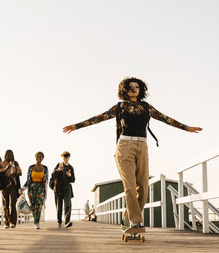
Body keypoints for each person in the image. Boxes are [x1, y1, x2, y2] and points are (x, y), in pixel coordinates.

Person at [63, 77, 202, 232]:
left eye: (137, 86)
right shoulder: (121, 106)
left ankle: (126, 219)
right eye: (130, 86)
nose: (134, 89)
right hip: (124, 147)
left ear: (141, 89)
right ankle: (135, 222)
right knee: (129, 186)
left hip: (142, 146)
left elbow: (166, 119)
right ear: (124, 89)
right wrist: (77, 126)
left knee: (143, 188)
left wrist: (186, 128)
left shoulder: (146, 107)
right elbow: (98, 118)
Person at [21, 151, 48, 229]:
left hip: (41, 188)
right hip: (31, 188)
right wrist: (23, 188)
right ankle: (35, 220)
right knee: (32, 205)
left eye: (40, 157)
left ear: (43, 158)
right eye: (37, 156)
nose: (39, 158)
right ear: (35, 157)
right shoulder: (31, 167)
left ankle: (37, 222)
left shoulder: (45, 168)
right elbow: (28, 180)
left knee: (38, 205)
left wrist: (45, 193)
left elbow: (46, 181)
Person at [51, 151, 75, 228]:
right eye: (64, 157)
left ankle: (67, 221)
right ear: (62, 157)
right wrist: (58, 170)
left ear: (69, 157)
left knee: (68, 204)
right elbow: (53, 176)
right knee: (59, 205)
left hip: (67, 187)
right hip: (58, 187)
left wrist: (70, 175)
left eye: (67, 157)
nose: (65, 158)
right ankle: (59, 222)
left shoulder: (70, 167)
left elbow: (73, 180)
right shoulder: (59, 165)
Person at [0, 149, 22, 229]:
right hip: (5, 185)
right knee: (5, 204)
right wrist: (7, 167)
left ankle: (13, 222)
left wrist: (14, 174)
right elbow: (0, 172)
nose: (9, 156)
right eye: (8, 154)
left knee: (13, 203)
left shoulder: (15, 163)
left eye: (10, 154)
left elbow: (20, 172)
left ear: (12, 155)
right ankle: (6, 222)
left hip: (13, 184)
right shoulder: (2, 163)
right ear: (5, 155)